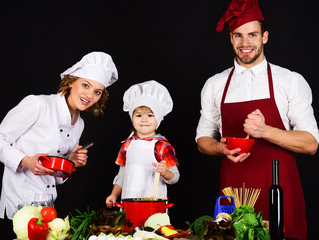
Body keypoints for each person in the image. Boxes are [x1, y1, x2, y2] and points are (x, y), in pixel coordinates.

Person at [195, 0, 319, 239]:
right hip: (233, 196)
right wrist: (221, 148)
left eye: (252, 34)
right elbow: (202, 140)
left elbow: (311, 143)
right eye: (238, 35)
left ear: (265, 37)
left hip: (280, 191)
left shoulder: (290, 81)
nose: (245, 43)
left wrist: (265, 130)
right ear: (231, 39)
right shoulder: (215, 84)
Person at [0, 52, 118, 224]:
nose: (90, 95)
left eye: (97, 92)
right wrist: (25, 160)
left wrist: (70, 162)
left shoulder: (79, 124)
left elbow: (55, 174)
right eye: (85, 85)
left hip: (47, 204)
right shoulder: (38, 105)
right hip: (20, 203)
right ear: (71, 81)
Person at [106, 80, 179, 207]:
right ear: (132, 118)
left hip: (154, 206)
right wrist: (114, 195)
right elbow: (122, 175)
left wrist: (165, 172)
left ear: (159, 118)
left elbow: (175, 177)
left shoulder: (162, 146)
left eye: (150, 115)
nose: (144, 119)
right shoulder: (127, 145)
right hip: (128, 204)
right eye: (138, 115)